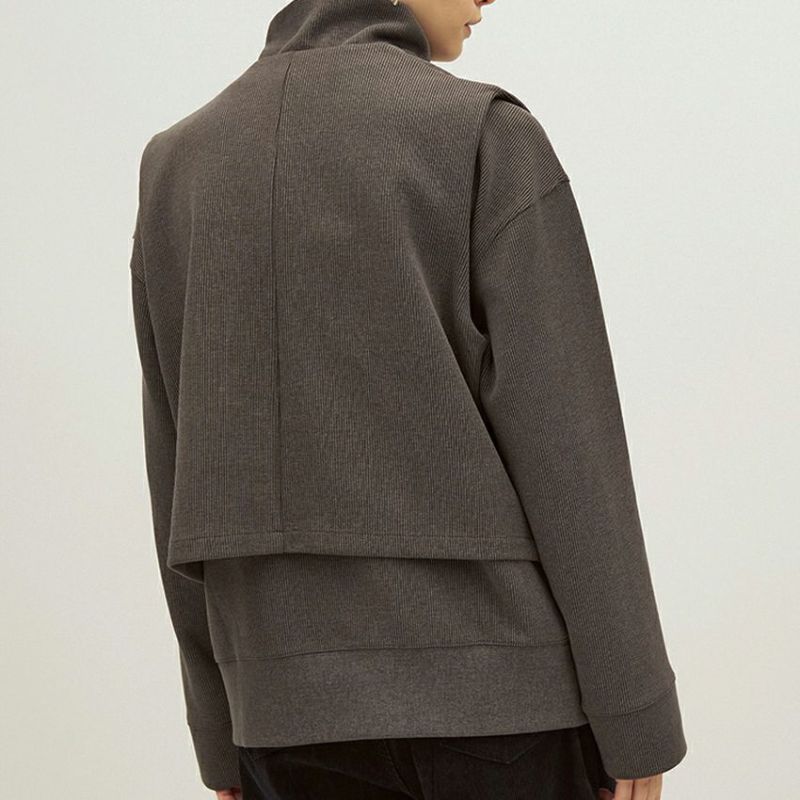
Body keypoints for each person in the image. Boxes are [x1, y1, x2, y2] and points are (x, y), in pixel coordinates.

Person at [129, 0, 688, 798]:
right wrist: (636, 719)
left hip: (281, 722)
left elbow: (176, 469)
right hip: (502, 713)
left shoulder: (176, 166)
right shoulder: (483, 135)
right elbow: (572, 458)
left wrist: (219, 736)